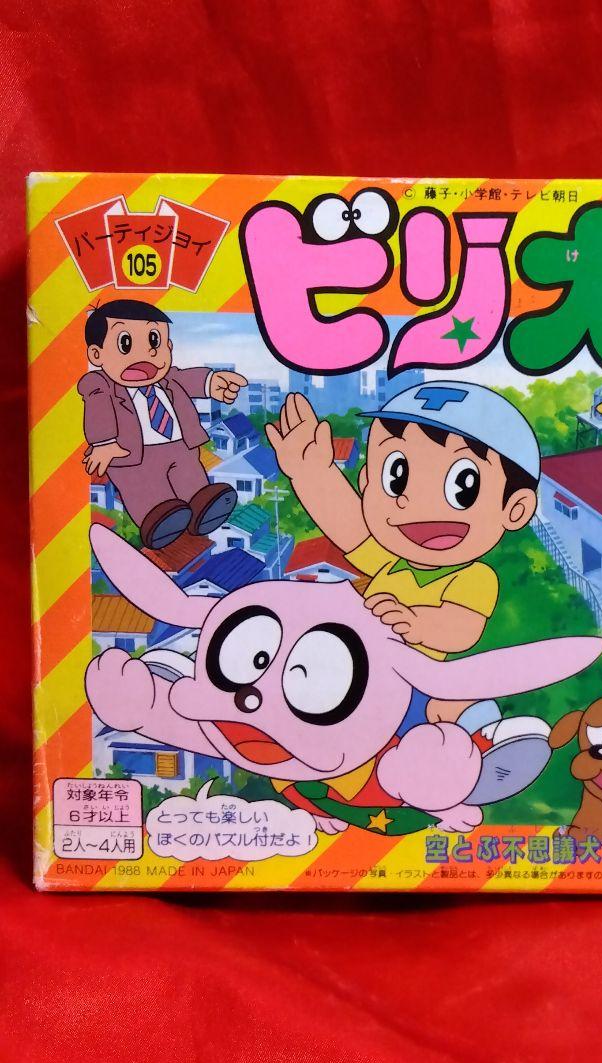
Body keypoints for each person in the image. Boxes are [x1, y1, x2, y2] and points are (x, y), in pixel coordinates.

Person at [267, 380, 550, 804]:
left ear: (516, 508)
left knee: (451, 703)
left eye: (462, 486)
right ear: (367, 482)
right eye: (396, 477)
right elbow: (347, 525)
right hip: (363, 681)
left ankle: (484, 755)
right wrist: (312, 472)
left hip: (421, 683)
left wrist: (417, 622)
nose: (416, 503)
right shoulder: (388, 560)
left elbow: (462, 628)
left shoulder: (472, 576)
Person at [79, 299, 247, 548]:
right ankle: (158, 518)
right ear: (96, 354)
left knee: (190, 475)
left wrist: (211, 382)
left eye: (154, 340)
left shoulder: (168, 378)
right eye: (126, 344)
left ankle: (202, 505)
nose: (145, 354)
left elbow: (187, 378)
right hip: (133, 457)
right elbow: (97, 405)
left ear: (168, 346)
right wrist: (104, 442)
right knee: (145, 490)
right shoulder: (100, 385)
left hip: (179, 447)